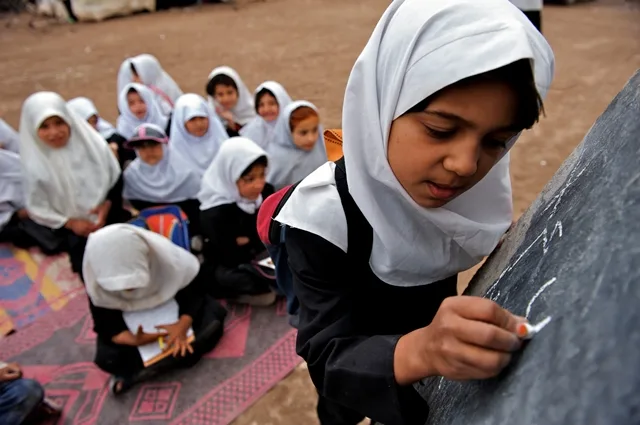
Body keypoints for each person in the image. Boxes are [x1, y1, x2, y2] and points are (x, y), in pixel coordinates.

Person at [271, 0, 555, 423]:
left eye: (497, 142)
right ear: (383, 102)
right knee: (341, 409)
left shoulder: (466, 195)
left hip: (431, 348)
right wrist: (420, 349)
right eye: (440, 130)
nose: (465, 164)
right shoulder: (320, 218)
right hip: (356, 358)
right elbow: (327, 353)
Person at [84, 224, 227, 394]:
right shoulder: (97, 283)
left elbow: (194, 293)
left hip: (176, 316)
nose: (129, 289)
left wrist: (181, 326)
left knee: (213, 314)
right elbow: (106, 323)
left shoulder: (168, 258)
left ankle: (149, 367)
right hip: (138, 329)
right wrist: (134, 340)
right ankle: (171, 358)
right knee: (107, 357)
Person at [19, 92, 128, 278]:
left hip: (112, 220)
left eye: (59, 123)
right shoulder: (34, 166)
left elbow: (115, 177)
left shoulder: (93, 146)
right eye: (44, 126)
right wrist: (71, 223)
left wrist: (107, 205)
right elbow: (38, 207)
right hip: (76, 235)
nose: (54, 132)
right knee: (96, 280)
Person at [199, 137, 276, 305]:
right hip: (232, 263)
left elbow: (274, 229)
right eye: (249, 179)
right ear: (230, 176)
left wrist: (249, 239)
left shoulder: (267, 192)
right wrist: (256, 239)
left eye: (262, 175)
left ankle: (272, 284)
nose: (259, 184)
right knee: (227, 277)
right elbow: (230, 254)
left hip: (262, 253)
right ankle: (252, 291)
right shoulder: (215, 212)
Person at [123, 123, 203, 242]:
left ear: (165, 145)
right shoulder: (132, 175)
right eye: (142, 147)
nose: (148, 151)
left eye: (153, 145)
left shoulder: (186, 171)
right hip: (148, 236)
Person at [266, 100, 328, 190]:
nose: (311, 138)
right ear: (288, 132)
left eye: (315, 130)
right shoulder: (278, 158)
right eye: (303, 133)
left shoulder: (321, 149)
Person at [169, 93, 229, 178]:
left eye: (202, 118)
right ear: (181, 122)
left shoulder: (223, 144)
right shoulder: (175, 155)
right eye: (192, 119)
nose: (199, 124)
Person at [67, 96, 136, 167]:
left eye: (94, 121)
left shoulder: (111, 138)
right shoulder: (67, 147)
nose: (92, 127)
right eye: (87, 122)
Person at [117, 54, 183, 115]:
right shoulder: (141, 91)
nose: (133, 79)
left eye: (137, 75)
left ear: (148, 74)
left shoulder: (161, 96)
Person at [239, 81, 293, 149]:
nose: (266, 109)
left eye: (272, 103)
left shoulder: (293, 127)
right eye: (261, 105)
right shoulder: (253, 130)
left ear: (282, 103)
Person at [205, 66, 256, 137]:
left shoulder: (256, 114)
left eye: (230, 92)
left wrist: (232, 124)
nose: (226, 99)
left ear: (238, 91)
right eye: (220, 94)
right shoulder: (208, 119)